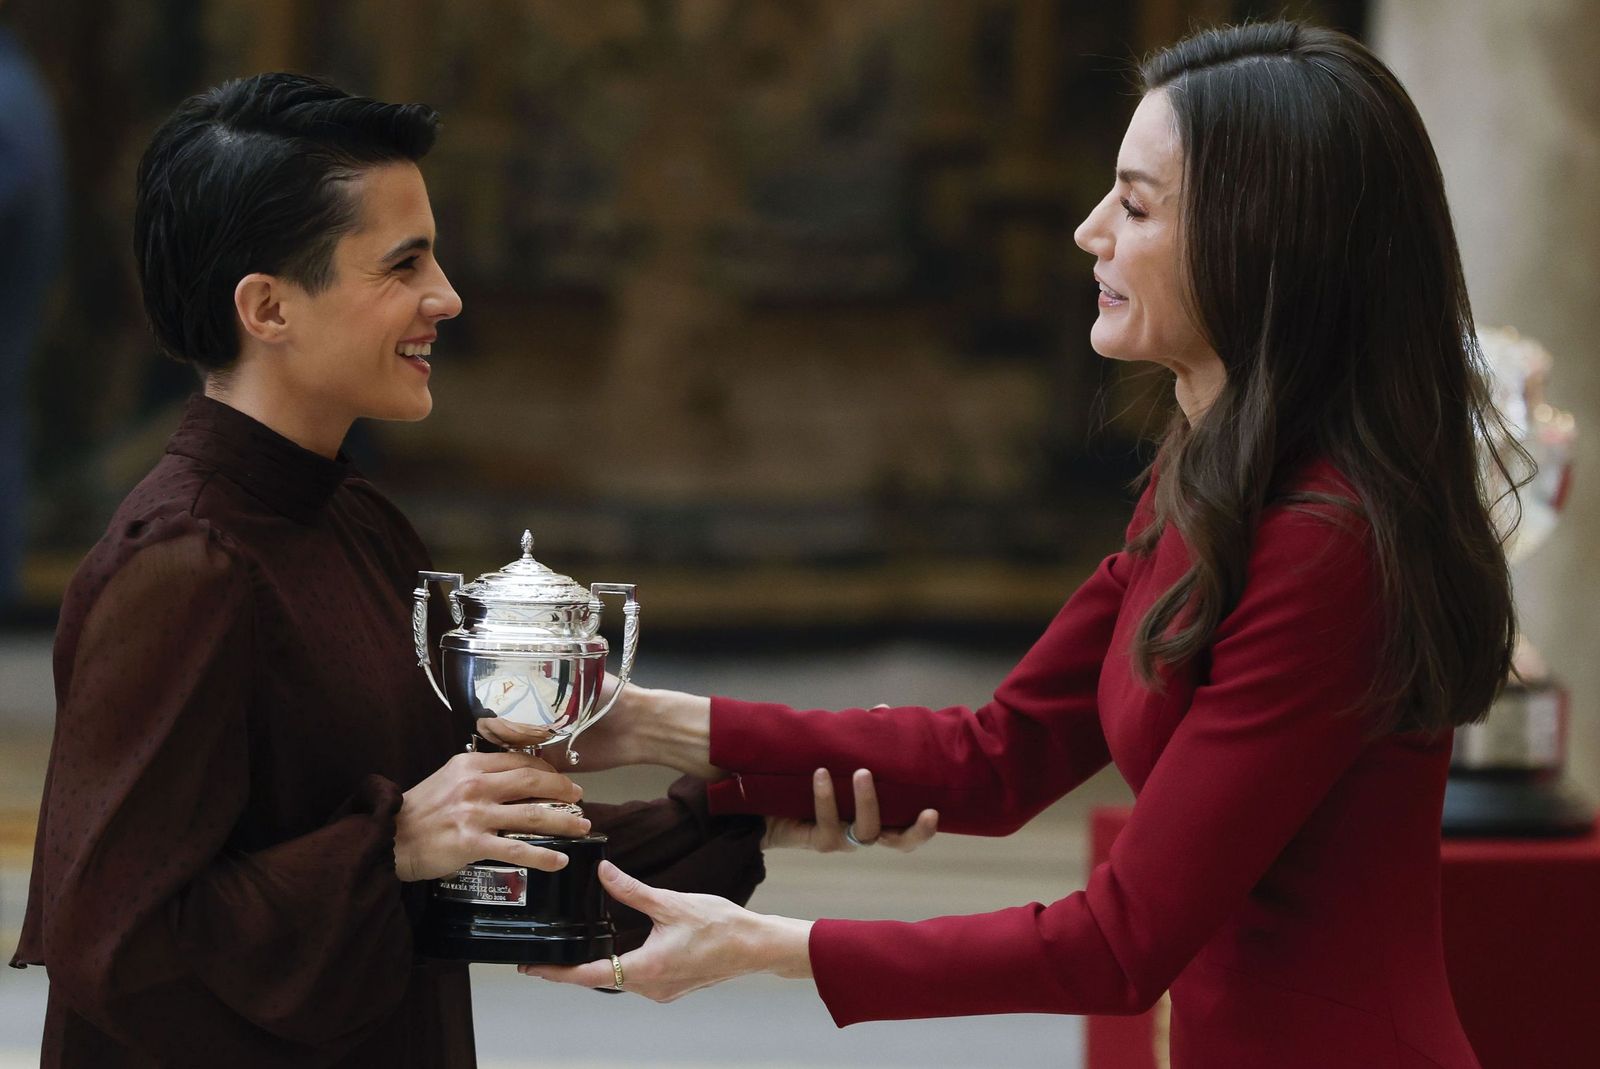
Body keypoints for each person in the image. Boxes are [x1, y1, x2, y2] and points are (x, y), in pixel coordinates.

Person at [525, 21, 1515, 1069]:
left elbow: (1119, 942)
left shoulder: (1328, 545)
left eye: (1134, 205)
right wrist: (641, 723)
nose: (1089, 230)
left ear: (1256, 238)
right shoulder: (1216, 480)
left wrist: (771, 946)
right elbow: (999, 757)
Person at [9, 72, 821, 1067]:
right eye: (403, 264)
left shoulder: (357, 523)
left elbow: (476, 843)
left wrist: (752, 805)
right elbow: (115, 940)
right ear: (267, 306)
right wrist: (387, 847)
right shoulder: (184, 564)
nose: (446, 296)